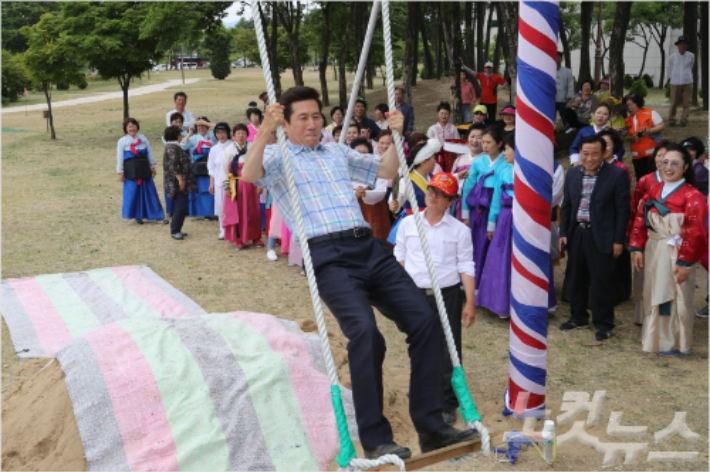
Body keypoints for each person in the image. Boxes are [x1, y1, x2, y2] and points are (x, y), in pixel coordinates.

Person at [241, 86, 477, 459]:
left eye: (316, 116)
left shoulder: (336, 150)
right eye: (302, 117)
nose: (313, 123)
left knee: (425, 321)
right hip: (327, 255)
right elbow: (248, 174)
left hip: (368, 247)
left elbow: (386, 170)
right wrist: (267, 131)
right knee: (367, 335)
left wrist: (396, 136)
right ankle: (376, 438)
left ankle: (431, 427)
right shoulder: (276, 153)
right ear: (285, 123)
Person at [394, 172, 476, 426]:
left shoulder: (459, 230)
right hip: (414, 294)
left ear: (449, 201)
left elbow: (466, 265)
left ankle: (447, 402)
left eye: (440, 194)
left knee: (447, 347)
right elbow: (400, 256)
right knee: (418, 344)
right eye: (431, 190)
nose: (432, 196)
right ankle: (420, 390)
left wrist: (470, 302)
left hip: (447, 294)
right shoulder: (408, 223)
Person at [630, 145, 707, 355]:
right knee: (653, 290)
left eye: (675, 163)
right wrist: (637, 248)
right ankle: (655, 336)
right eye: (665, 162)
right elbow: (640, 219)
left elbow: (696, 231)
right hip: (653, 249)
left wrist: (685, 262)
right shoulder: (653, 190)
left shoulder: (693, 195)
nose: (668, 167)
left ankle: (671, 341)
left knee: (674, 295)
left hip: (675, 251)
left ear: (686, 167)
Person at [558, 135, 630, 342]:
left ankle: (604, 323)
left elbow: (622, 211)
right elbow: (568, 205)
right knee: (576, 278)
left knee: (602, 282)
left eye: (595, 153)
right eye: (585, 153)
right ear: (579, 153)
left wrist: (618, 240)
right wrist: (563, 233)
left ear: (605, 152)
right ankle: (578, 317)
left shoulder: (616, 175)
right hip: (577, 233)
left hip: (603, 235)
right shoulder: (572, 173)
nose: (590, 158)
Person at [629, 141, 672, 326]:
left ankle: (664, 317)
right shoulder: (645, 181)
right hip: (646, 236)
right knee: (643, 275)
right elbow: (635, 209)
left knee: (666, 277)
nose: (663, 160)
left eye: (669, 157)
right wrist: (632, 235)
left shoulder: (683, 185)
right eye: (660, 156)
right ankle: (642, 314)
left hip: (671, 238)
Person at [462, 126, 508, 290]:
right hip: (478, 210)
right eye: (483, 142)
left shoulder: (506, 162)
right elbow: (468, 186)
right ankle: (472, 283)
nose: (485, 146)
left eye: (489, 142)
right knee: (475, 245)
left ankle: (489, 286)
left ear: (500, 143)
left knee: (493, 248)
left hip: (497, 209)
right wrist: (465, 213)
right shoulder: (479, 161)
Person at [477, 133, 515, 318]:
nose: (505, 153)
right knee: (502, 260)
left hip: (525, 220)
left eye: (508, 149)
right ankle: (501, 303)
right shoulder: (504, 171)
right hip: (506, 219)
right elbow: (496, 203)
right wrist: (491, 226)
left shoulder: (532, 172)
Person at [599, 128, 632, 305]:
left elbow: (623, 201)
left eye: (608, 144)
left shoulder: (620, 169)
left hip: (612, 220)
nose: (604, 148)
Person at [388, 139, 441, 244]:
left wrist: (457, 176)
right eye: (433, 158)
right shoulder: (406, 180)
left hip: (432, 221)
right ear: (424, 161)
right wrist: (394, 204)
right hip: (413, 223)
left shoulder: (432, 178)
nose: (435, 162)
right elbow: (397, 195)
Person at [222, 123, 264, 250]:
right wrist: (227, 187)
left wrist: (260, 183)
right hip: (236, 185)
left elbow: (259, 166)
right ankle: (239, 239)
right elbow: (224, 170)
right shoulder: (228, 150)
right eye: (238, 133)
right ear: (234, 135)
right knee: (238, 212)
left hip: (251, 184)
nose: (241, 135)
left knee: (253, 211)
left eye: (243, 133)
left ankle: (256, 237)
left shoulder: (253, 148)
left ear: (247, 135)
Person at [117, 117, 166, 224]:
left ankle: (156, 215)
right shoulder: (122, 141)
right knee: (133, 193)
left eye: (134, 126)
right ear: (126, 128)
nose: (132, 128)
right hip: (131, 172)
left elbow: (149, 153)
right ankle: (136, 216)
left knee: (149, 192)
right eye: (129, 126)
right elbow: (120, 158)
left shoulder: (143, 139)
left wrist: (152, 166)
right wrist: (120, 172)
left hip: (144, 169)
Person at [351, 138, 391, 242]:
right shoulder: (344, 172)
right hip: (352, 215)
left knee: (377, 242)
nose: (361, 157)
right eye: (357, 153)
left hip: (374, 214)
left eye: (364, 153)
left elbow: (381, 192)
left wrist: (365, 193)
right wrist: (355, 193)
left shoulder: (378, 170)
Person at [163, 125, 197, 240]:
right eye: (180, 134)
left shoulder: (173, 147)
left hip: (176, 182)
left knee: (181, 206)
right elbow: (174, 166)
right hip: (176, 183)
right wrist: (180, 180)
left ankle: (177, 229)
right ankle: (175, 230)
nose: (181, 136)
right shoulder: (173, 148)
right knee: (180, 206)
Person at [624, 93, 665, 179]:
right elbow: (626, 137)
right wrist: (632, 138)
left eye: (632, 104)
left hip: (652, 154)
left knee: (654, 178)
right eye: (627, 105)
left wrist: (650, 131)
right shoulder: (627, 120)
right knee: (641, 179)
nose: (629, 107)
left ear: (638, 103)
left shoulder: (650, 113)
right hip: (637, 155)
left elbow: (661, 125)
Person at [182, 117, 217, 218]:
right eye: (199, 126)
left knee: (211, 189)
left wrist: (206, 122)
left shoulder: (212, 136)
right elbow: (183, 145)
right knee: (201, 190)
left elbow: (218, 128)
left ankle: (212, 211)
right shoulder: (194, 138)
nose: (201, 128)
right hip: (198, 167)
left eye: (203, 126)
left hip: (210, 166)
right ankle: (202, 212)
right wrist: (189, 133)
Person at [451, 123, 485, 221]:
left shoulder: (486, 161)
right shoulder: (459, 159)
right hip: (457, 202)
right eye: (472, 136)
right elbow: (451, 180)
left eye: (479, 137)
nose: (474, 141)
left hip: (476, 204)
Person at [207, 122, 232, 240]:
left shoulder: (233, 146)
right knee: (220, 206)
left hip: (232, 182)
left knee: (232, 205)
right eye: (218, 133)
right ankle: (223, 229)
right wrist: (211, 183)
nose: (221, 135)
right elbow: (211, 168)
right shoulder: (214, 149)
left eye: (223, 132)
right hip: (218, 182)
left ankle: (233, 228)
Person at [162, 112, 188, 216]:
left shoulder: (184, 134)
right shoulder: (169, 138)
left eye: (180, 122)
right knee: (173, 189)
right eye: (175, 121)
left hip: (182, 166)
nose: (178, 123)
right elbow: (182, 147)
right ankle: (172, 211)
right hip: (174, 170)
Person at [668, 36, 695, 127]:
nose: (683, 46)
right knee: (674, 102)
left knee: (686, 102)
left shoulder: (691, 56)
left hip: (687, 81)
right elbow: (670, 69)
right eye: (681, 44)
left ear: (687, 45)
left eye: (685, 44)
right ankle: (672, 119)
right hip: (675, 82)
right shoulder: (672, 57)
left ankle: (684, 119)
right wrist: (674, 77)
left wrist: (686, 76)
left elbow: (691, 66)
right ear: (678, 45)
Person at [555, 51, 575, 130]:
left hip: (563, 97)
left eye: (558, 58)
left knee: (564, 114)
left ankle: (567, 127)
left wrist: (569, 96)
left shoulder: (567, 71)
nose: (556, 59)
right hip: (552, 98)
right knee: (551, 114)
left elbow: (570, 84)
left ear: (561, 59)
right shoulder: (549, 70)